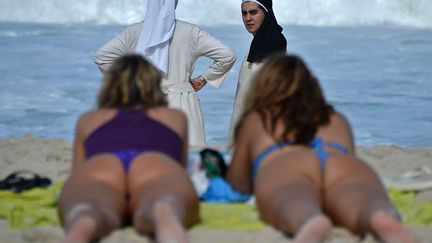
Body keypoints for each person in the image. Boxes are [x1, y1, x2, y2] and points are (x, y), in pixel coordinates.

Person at [226, 54, 417, 242]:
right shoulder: (336, 119)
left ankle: (308, 220)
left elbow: (238, 183)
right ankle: (377, 216)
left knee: (292, 199)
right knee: (359, 194)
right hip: (338, 161)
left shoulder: (258, 119)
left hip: (288, 161)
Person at [58, 54, 199, 243]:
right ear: (153, 84)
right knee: (165, 205)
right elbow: (178, 165)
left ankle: (84, 222)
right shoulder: (174, 117)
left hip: (103, 165)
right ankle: (163, 214)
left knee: (85, 211)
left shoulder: (88, 120)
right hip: (153, 164)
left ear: (109, 85)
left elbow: (78, 171)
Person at [94, 0, 236, 147]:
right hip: (184, 100)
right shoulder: (191, 31)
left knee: (148, 157)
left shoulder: (134, 32)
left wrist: (129, 83)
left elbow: (102, 58)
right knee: (189, 156)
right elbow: (227, 55)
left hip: (144, 100)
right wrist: (204, 78)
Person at [228, 0, 287, 142]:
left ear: (266, 14)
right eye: (244, 13)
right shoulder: (258, 43)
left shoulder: (270, 45)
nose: (248, 18)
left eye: (254, 12)